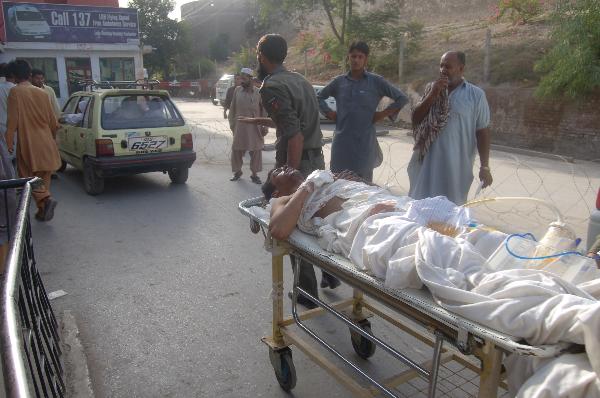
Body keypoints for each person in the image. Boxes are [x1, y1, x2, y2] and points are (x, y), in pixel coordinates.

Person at [240, 33, 337, 307]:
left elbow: (294, 135)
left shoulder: (271, 87)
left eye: (258, 54)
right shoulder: (300, 80)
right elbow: (296, 121)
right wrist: (260, 120)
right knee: (316, 219)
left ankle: (307, 293)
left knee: (293, 229)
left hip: (297, 164)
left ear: (261, 56)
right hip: (315, 160)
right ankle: (331, 272)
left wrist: (288, 182)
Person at [408, 51, 492, 205]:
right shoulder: (431, 89)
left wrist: (485, 166)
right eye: (441, 66)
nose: (443, 70)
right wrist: (433, 94)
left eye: (448, 66)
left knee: (449, 216)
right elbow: (416, 119)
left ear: (461, 69)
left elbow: (482, 132)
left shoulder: (476, 96)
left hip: (456, 169)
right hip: (427, 167)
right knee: (420, 210)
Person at [317, 41, 409, 181]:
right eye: (353, 56)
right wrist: (329, 113)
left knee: (363, 189)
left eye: (360, 57)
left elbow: (401, 98)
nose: (356, 60)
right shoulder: (339, 82)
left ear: (366, 59)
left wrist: (382, 114)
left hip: (364, 145)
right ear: (348, 57)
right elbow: (319, 97)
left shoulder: (376, 82)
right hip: (341, 144)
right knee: (337, 185)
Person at [5, 60, 60, 222]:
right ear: (29, 74)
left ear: (14, 76)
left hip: (29, 142)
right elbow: (53, 122)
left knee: (28, 177)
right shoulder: (43, 93)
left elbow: (12, 123)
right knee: (44, 176)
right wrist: (52, 140)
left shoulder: (16, 92)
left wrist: (8, 144)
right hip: (46, 141)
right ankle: (43, 210)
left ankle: (46, 199)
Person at [228, 68, 267, 184]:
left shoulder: (258, 92)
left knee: (256, 151)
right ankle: (237, 172)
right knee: (236, 150)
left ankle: (254, 175)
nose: (242, 81)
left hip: (255, 127)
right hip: (240, 126)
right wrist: (232, 124)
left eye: (244, 79)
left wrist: (265, 125)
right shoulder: (237, 91)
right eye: (241, 79)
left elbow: (264, 109)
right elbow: (232, 108)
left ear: (251, 79)